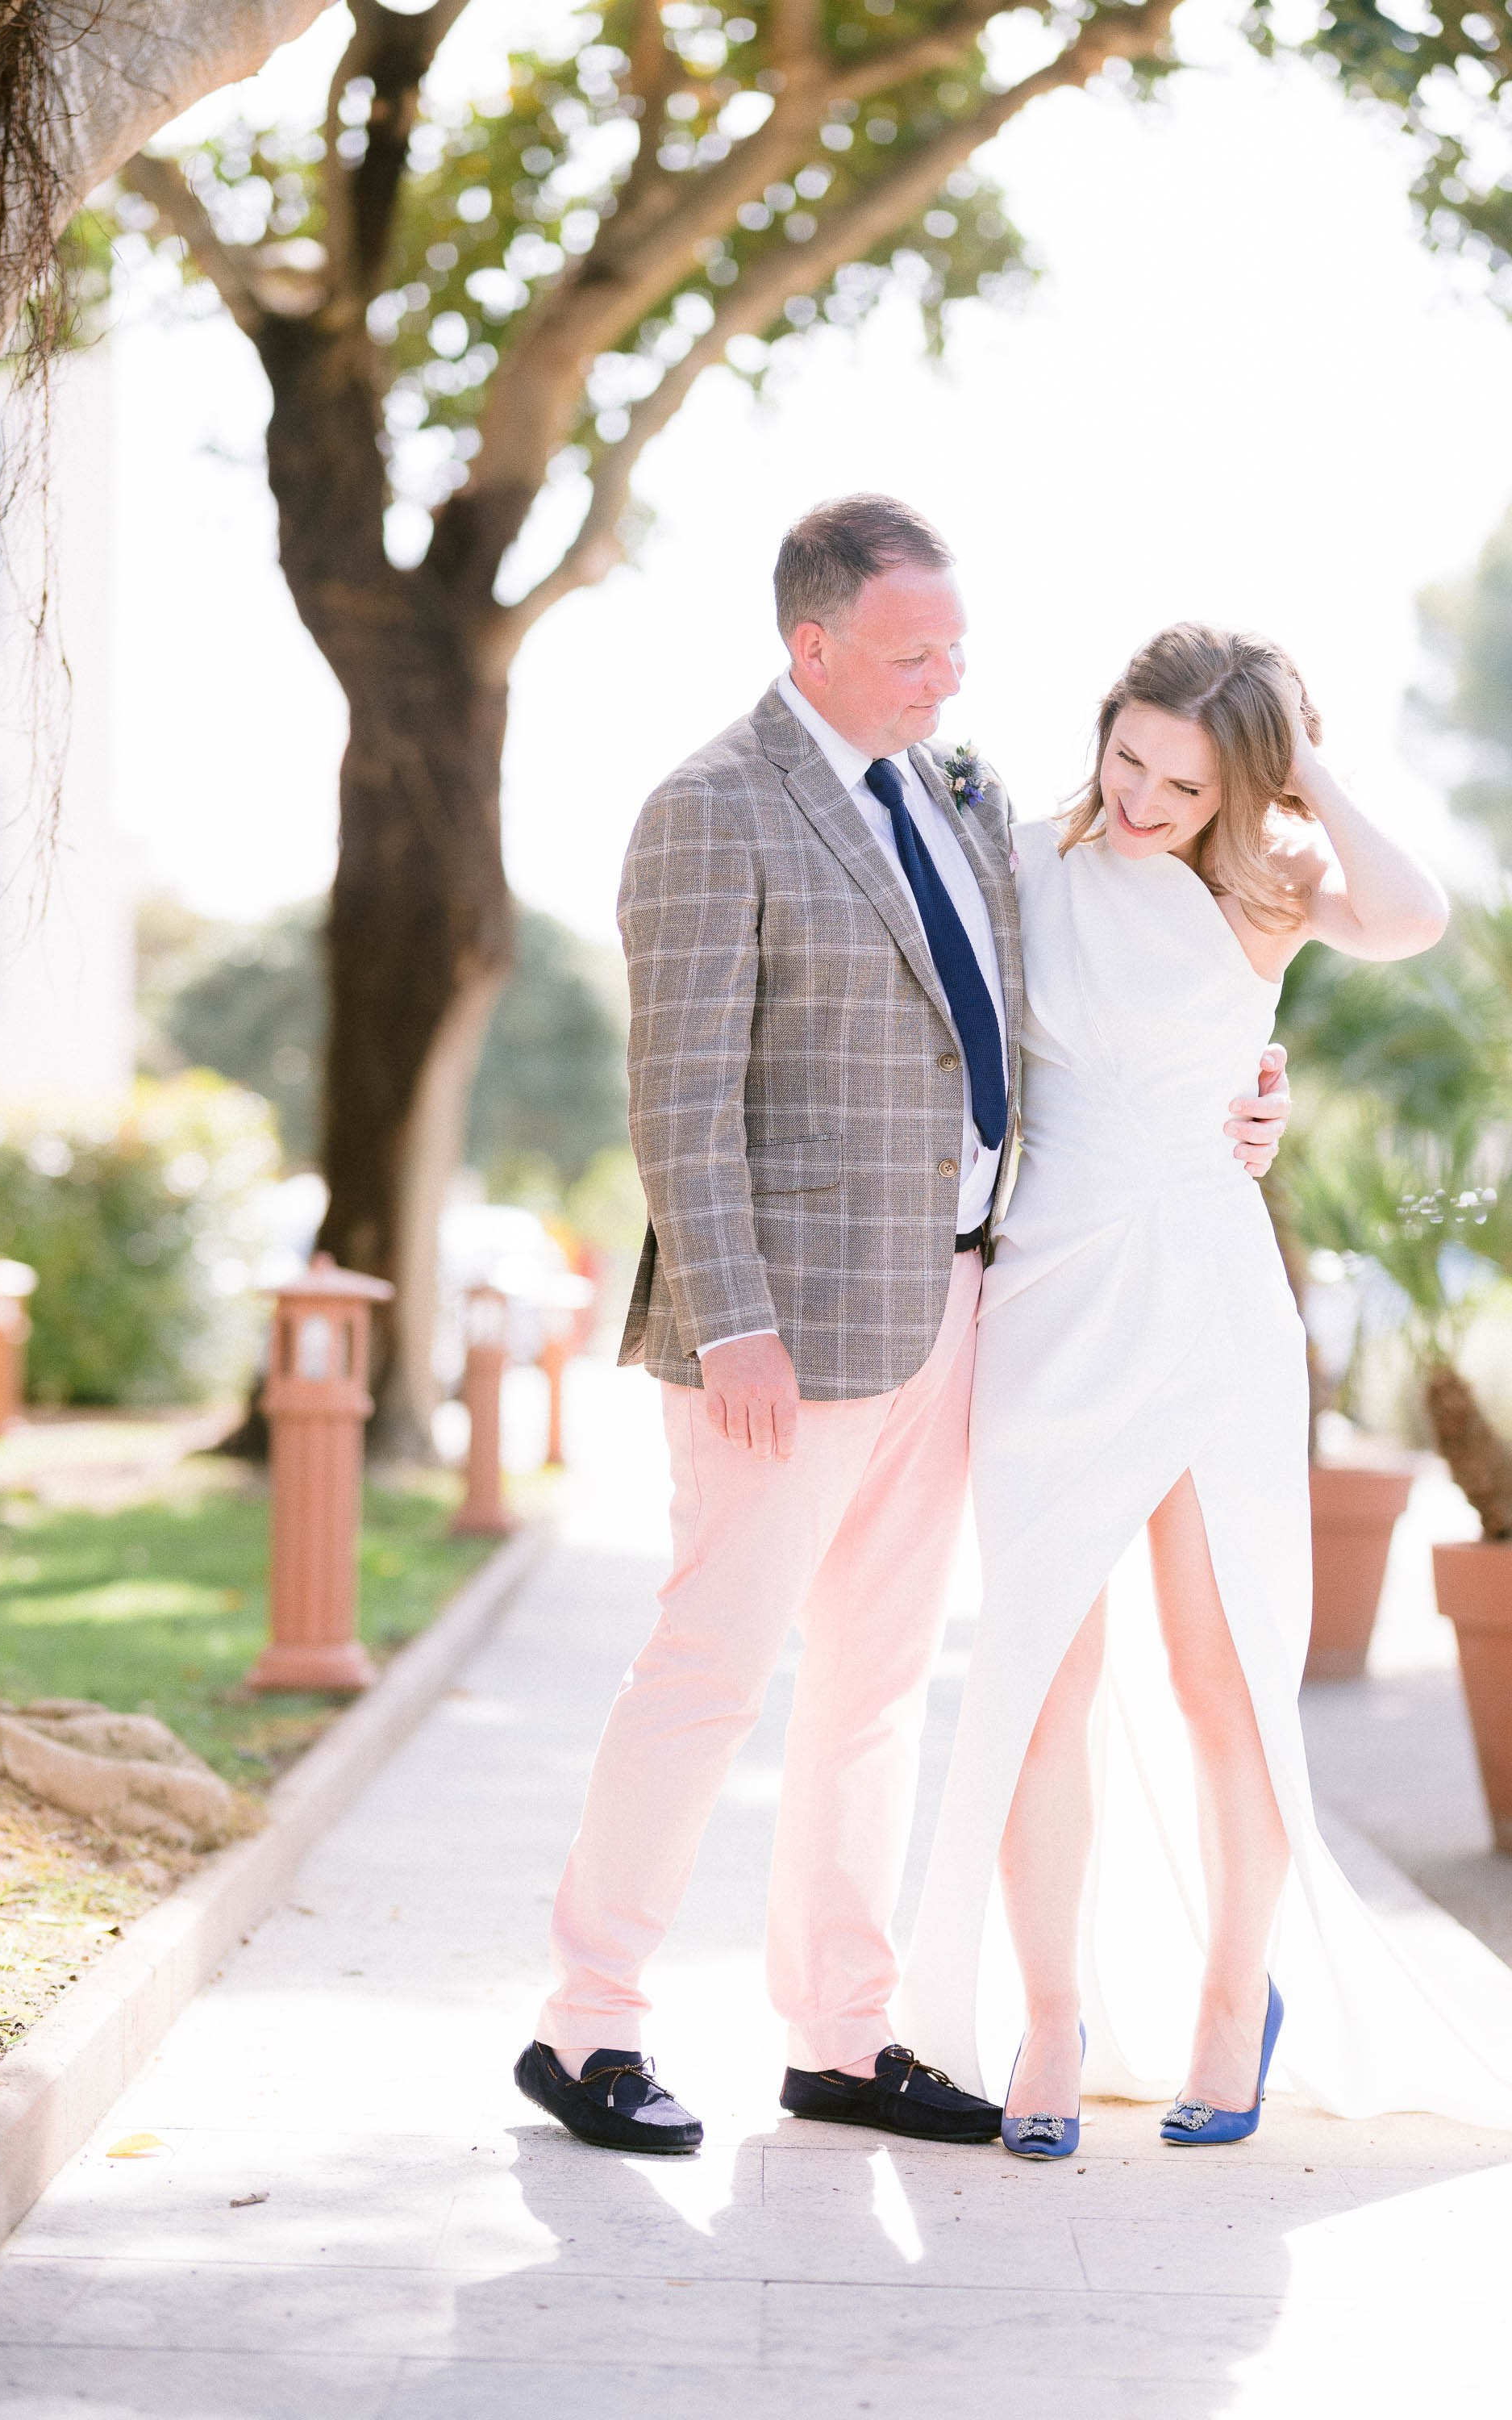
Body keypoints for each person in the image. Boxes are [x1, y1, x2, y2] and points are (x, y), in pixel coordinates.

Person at [515, 507, 1289, 2155]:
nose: (952, 675)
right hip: (776, 1340)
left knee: (873, 1688)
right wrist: (731, 1327)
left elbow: (1060, 1021)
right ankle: (587, 2027)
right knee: (710, 1669)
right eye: (914, 651)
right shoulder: (710, 809)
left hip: (964, 1299)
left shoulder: (965, 794)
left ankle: (842, 2037)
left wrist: (1245, 1086)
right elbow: (678, 1099)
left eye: (958, 645)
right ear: (814, 649)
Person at [898, 622, 1512, 2152]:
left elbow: (1417, 914)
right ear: (1098, 730)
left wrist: (1298, 761)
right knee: (1043, 1674)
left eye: (1189, 776)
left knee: (1221, 1673)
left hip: (1215, 1296)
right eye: (1132, 757)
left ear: (1241, 776)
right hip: (1050, 1281)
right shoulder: (1023, 858)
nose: (1153, 796)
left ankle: (1236, 2004)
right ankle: (1049, 2021)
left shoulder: (1274, 878)